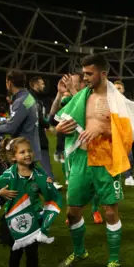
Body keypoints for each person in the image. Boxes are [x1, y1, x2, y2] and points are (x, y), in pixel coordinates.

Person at [55, 54, 134, 267]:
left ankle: (113, 260)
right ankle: (79, 252)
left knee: (110, 211)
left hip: (106, 160)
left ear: (103, 73)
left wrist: (102, 131)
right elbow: (60, 121)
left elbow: (128, 135)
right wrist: (60, 130)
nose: (85, 78)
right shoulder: (82, 97)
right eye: (84, 73)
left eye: (89, 73)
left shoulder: (116, 100)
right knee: (72, 212)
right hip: (82, 160)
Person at [0, 137, 62, 267]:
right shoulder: (9, 175)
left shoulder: (38, 174)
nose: (27, 154)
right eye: (22, 152)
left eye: (29, 151)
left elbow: (47, 195)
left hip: (33, 220)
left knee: (32, 253)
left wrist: (46, 185)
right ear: (13, 157)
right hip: (15, 220)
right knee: (16, 252)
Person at [48, 73, 103, 225]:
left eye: (73, 82)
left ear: (81, 85)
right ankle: (73, 213)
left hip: (93, 149)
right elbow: (52, 118)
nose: (69, 84)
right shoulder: (69, 100)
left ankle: (95, 210)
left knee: (96, 184)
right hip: (72, 150)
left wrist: (73, 91)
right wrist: (59, 94)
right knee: (72, 185)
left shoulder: (93, 97)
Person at [0, 70, 42, 167]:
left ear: (9, 83)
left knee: (19, 181)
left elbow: (11, 128)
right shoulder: (28, 98)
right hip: (30, 149)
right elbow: (15, 120)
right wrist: (0, 124)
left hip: (24, 152)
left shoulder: (21, 101)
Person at [29, 76, 61, 188]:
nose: (44, 86)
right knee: (41, 154)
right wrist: (49, 127)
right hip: (34, 134)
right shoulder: (30, 98)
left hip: (36, 134)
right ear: (35, 84)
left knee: (33, 159)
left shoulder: (36, 99)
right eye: (41, 83)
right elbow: (36, 116)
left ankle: (46, 179)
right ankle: (50, 180)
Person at [113, 81, 134, 187]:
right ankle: (126, 177)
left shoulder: (126, 102)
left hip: (125, 133)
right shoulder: (110, 102)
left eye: (119, 88)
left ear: (123, 90)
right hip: (113, 134)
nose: (117, 90)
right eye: (115, 88)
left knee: (129, 157)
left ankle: (128, 177)